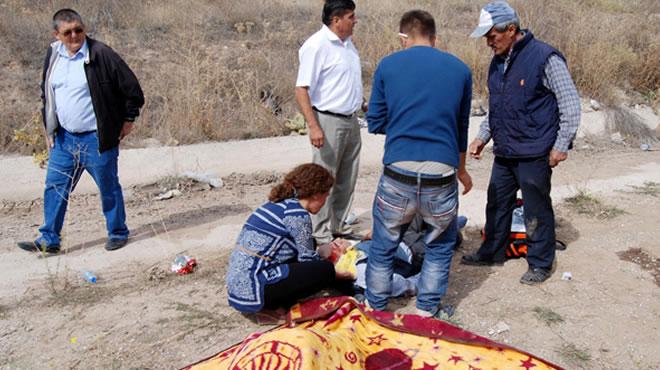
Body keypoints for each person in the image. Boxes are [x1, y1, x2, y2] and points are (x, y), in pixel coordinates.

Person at [461, 1, 581, 285]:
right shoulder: (497, 62)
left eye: (492, 35)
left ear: (511, 29)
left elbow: (570, 104)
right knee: (497, 203)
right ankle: (493, 251)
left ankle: (540, 262)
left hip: (535, 150)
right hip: (505, 150)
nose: (488, 42)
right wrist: (482, 137)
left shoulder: (545, 57)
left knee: (535, 207)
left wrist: (561, 144)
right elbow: (497, 107)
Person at [365, 10, 473, 318]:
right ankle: (427, 311)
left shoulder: (388, 65)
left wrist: (404, 122)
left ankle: (376, 307)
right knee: (439, 247)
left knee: (384, 244)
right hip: (442, 173)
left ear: (403, 38)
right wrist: (462, 171)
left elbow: (375, 121)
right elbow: (461, 127)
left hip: (398, 171)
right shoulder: (460, 70)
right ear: (434, 37)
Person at [17, 9, 144, 255]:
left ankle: (117, 232)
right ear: (57, 35)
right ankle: (49, 240)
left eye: (79, 29)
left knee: (109, 188)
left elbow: (132, 89)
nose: (75, 35)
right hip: (64, 139)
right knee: (54, 188)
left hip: (96, 138)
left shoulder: (101, 54)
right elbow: (47, 95)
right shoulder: (53, 54)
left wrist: (128, 120)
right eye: (68, 32)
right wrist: (49, 129)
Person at [226, 163, 349, 313]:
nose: (325, 202)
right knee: (324, 270)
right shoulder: (298, 215)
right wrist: (335, 273)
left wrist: (320, 250)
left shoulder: (278, 205)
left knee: (313, 245)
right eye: (326, 196)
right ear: (316, 194)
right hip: (255, 289)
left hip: (238, 286)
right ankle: (276, 305)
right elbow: (308, 263)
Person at [295, 0, 365, 245]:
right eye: (351, 16)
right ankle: (321, 234)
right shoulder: (316, 46)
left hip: (351, 120)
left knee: (347, 178)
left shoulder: (347, 45)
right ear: (337, 20)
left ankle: (337, 226)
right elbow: (302, 89)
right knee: (324, 178)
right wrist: (314, 126)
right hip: (327, 121)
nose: (355, 21)